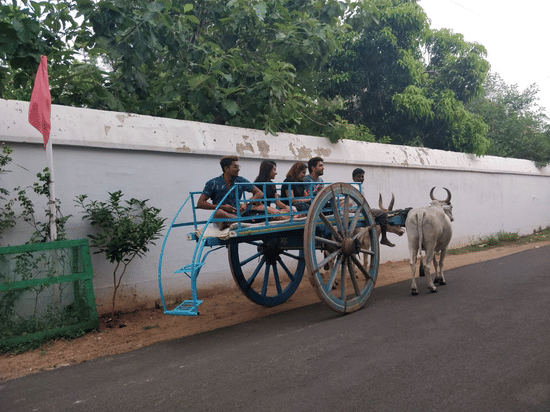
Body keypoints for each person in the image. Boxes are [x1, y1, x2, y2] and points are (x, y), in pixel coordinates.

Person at [197, 155, 263, 227]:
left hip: (238, 213)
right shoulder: (213, 183)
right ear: (226, 168)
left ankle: (237, 221)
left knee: (258, 208)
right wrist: (222, 207)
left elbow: (259, 193)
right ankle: (242, 220)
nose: (238, 169)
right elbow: (200, 203)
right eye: (235, 167)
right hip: (222, 216)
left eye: (238, 167)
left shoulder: (240, 180)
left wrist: (246, 203)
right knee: (219, 212)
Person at [352, 167, 395, 247]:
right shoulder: (357, 187)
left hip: (357, 210)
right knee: (382, 213)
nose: (361, 179)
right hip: (359, 211)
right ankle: (384, 238)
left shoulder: (353, 187)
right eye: (358, 176)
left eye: (362, 176)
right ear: (353, 178)